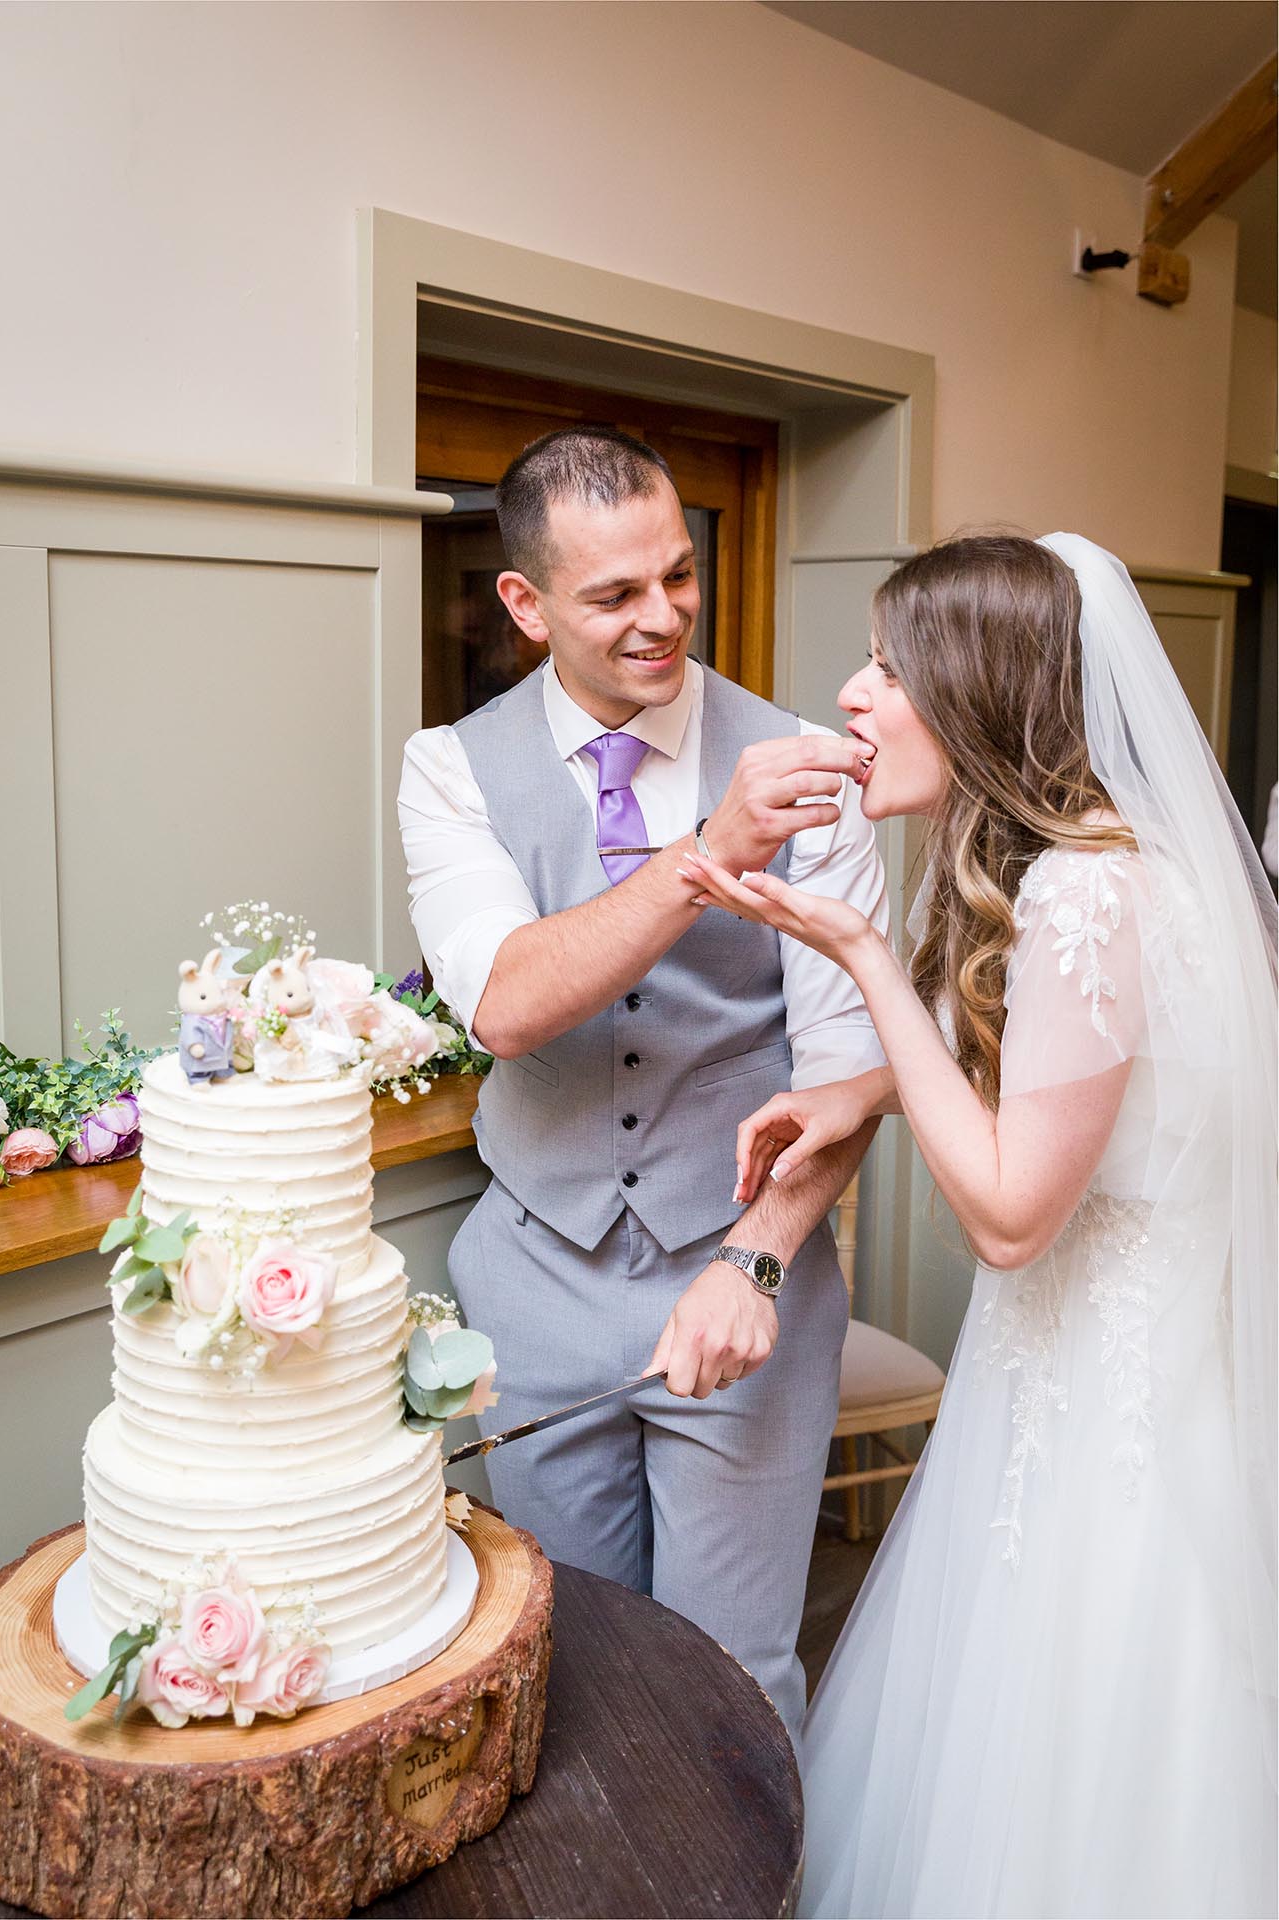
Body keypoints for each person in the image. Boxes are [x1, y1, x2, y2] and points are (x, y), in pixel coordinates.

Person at [683, 532, 1277, 1918]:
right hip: (1087, 1393)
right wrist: (855, 1091)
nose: (852, 693)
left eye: (891, 668)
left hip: (1103, 1441)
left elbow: (1012, 1216)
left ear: (979, 690)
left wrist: (865, 958)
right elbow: (1098, 1083)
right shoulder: (1108, 871)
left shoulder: (1089, 891)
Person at [398, 426, 891, 1736]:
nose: (661, 617)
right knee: (578, 1665)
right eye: (614, 593)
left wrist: (764, 1258)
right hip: (535, 1287)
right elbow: (505, 1004)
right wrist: (699, 854)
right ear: (526, 601)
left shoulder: (804, 765)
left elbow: (851, 1068)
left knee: (737, 1678)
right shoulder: (450, 771)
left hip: (741, 1280)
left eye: (677, 576)